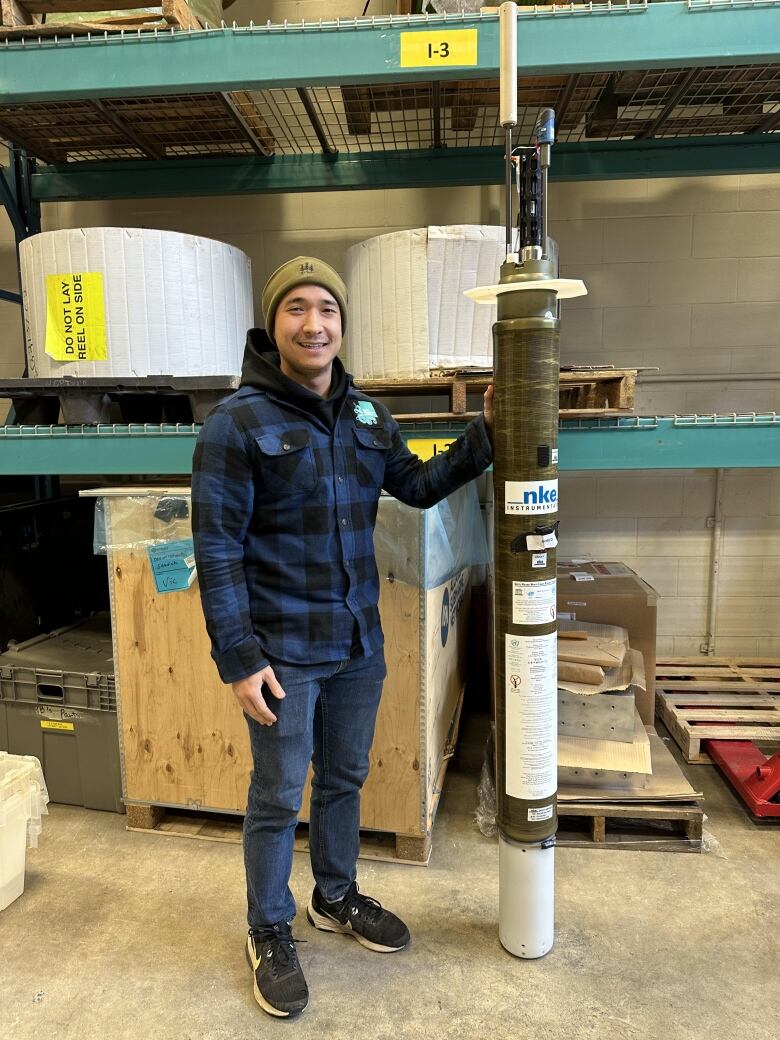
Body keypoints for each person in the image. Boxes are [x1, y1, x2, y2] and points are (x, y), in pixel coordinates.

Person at [192, 256, 493, 1019]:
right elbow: (217, 548)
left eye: (327, 308)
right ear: (273, 324)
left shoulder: (367, 416)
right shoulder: (237, 423)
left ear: (342, 324)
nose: (314, 323)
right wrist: (239, 658)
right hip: (282, 651)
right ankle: (268, 926)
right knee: (274, 794)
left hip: (359, 642)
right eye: (297, 308)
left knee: (345, 778)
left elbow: (418, 487)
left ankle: (334, 895)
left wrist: (486, 431)